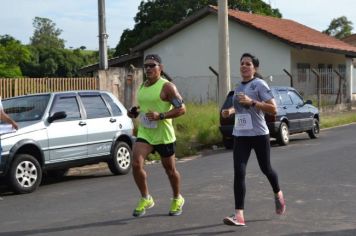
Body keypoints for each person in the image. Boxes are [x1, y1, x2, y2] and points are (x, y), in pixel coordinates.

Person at [221, 53, 286, 226]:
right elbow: (240, 107)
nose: (244, 66)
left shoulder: (259, 84)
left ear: (254, 68)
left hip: (259, 135)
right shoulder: (237, 86)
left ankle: (278, 193)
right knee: (239, 173)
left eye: (248, 64)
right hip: (241, 135)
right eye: (242, 63)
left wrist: (253, 102)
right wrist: (230, 112)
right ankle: (239, 215)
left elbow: (273, 109)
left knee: (266, 169)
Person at [128, 54, 186, 217]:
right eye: (146, 66)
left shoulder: (167, 87)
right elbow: (144, 106)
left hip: (163, 135)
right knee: (136, 164)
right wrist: (135, 111)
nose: (148, 69)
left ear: (160, 68)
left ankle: (177, 198)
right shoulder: (143, 86)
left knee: (170, 170)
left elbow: (182, 109)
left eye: (152, 65)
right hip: (146, 133)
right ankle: (146, 198)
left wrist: (161, 115)